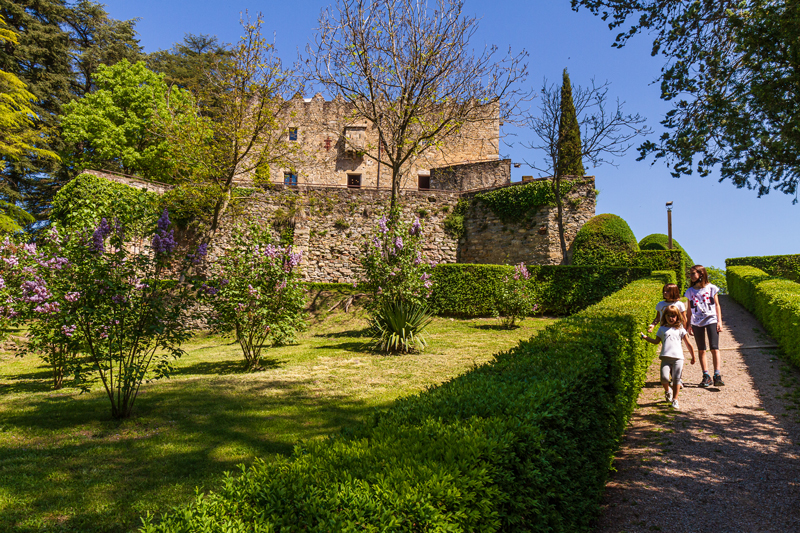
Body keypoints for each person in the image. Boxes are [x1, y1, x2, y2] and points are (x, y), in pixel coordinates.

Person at [640, 305, 696, 410]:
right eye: (669, 316)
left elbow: (689, 344)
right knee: (664, 378)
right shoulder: (662, 329)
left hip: (678, 358)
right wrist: (645, 337)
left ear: (678, 317)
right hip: (665, 358)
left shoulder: (681, 329)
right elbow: (656, 341)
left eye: (674, 316)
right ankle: (667, 391)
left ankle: (675, 399)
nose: (671, 318)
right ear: (665, 317)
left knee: (676, 379)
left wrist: (693, 356)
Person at [684, 264, 724, 387]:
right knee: (701, 349)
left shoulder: (711, 288)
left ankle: (717, 375)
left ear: (700, 274)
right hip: (697, 321)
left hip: (711, 319)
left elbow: (717, 305)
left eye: (692, 273)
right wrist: (688, 324)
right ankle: (706, 376)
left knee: (714, 347)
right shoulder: (690, 291)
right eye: (690, 274)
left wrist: (719, 321)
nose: (690, 276)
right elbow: (689, 309)